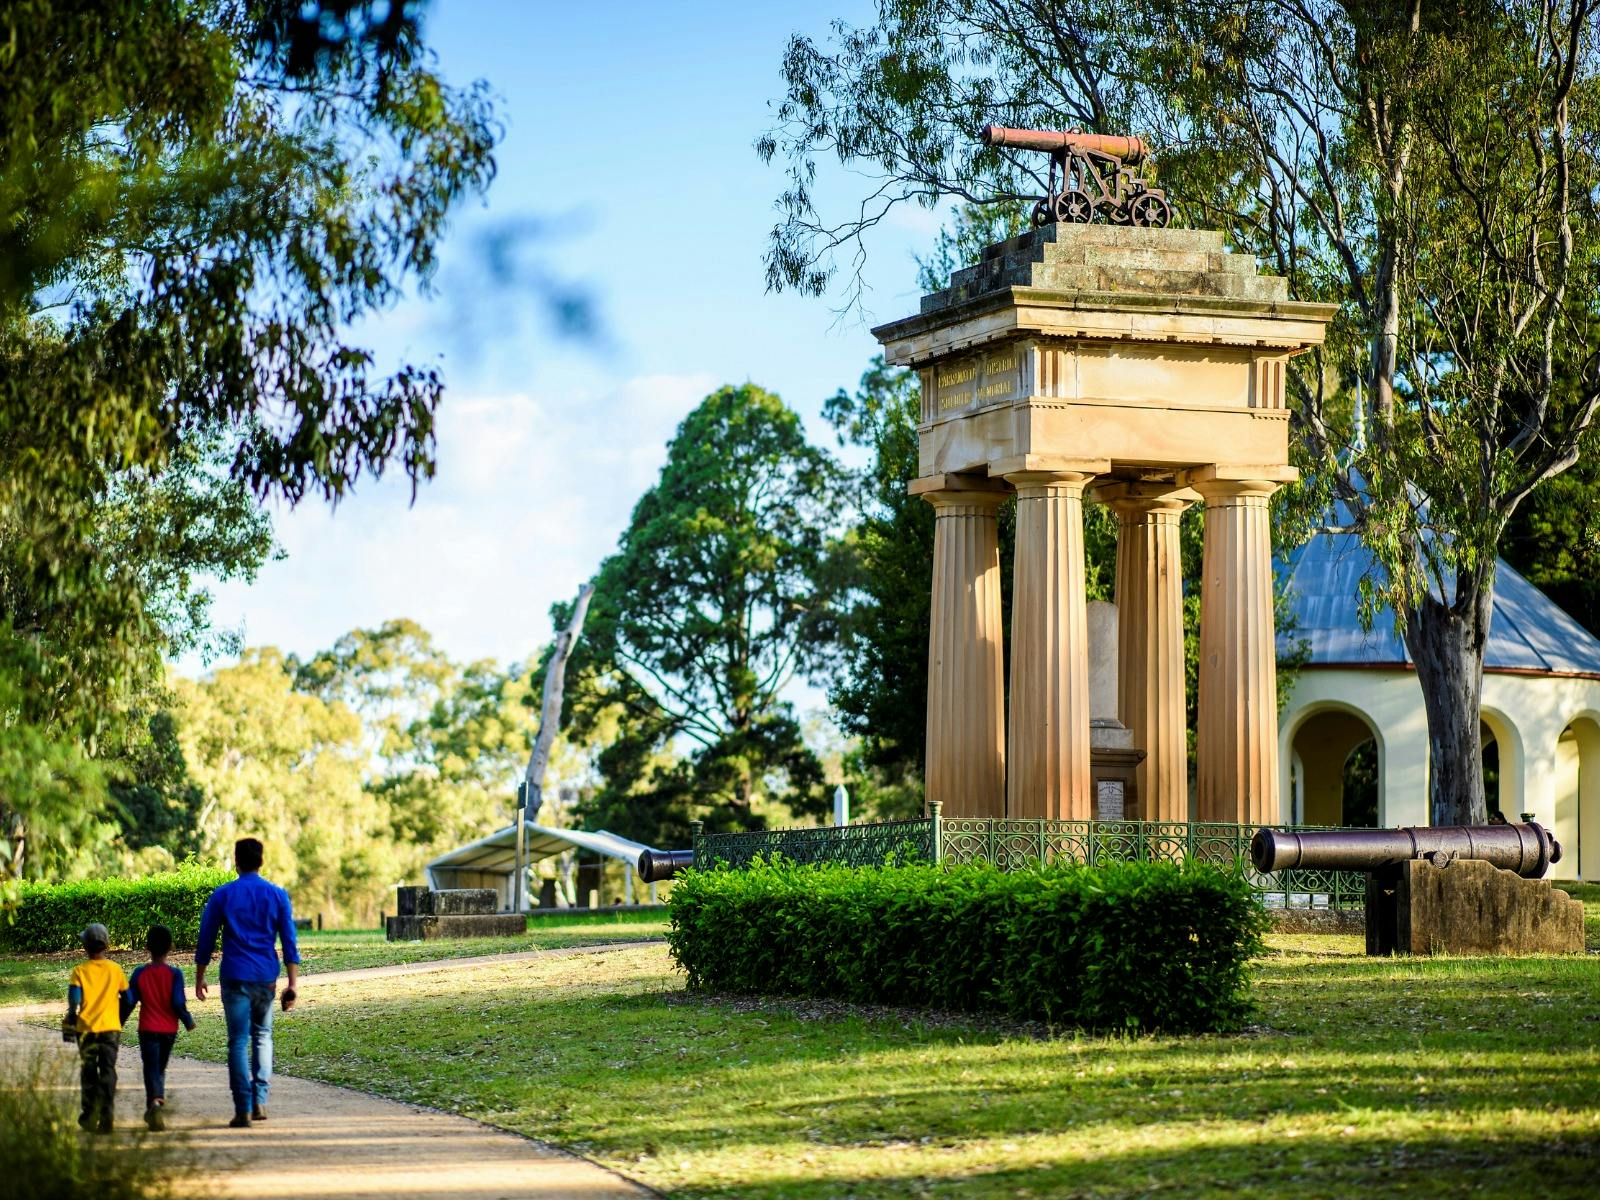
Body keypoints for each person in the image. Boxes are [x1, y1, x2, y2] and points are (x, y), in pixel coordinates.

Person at [194, 837, 300, 1129]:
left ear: (236, 861)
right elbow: (290, 941)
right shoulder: (277, 895)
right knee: (262, 1036)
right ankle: (259, 1100)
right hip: (265, 977)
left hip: (234, 976)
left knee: (238, 1041)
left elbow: (206, 937)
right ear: (261, 861)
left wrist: (200, 974)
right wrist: (292, 983)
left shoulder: (223, 895)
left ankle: (242, 1107)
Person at [120, 924, 196, 1131]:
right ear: (170, 947)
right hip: (168, 1031)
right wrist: (187, 1020)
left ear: (147, 947)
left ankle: (154, 1102)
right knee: (159, 1068)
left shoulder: (139, 973)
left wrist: (118, 1023)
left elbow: (128, 1001)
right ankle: (155, 1104)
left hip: (147, 1029)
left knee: (151, 1068)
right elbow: (178, 1002)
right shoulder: (175, 974)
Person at [61, 923, 129, 1134]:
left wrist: (71, 1019)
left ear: (85, 947)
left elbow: (74, 1002)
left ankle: (89, 1116)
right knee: (108, 1070)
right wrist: (118, 1019)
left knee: (89, 1071)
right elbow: (128, 998)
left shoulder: (80, 971)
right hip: (111, 1029)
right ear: (106, 945)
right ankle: (107, 1117)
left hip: (86, 1029)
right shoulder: (115, 970)